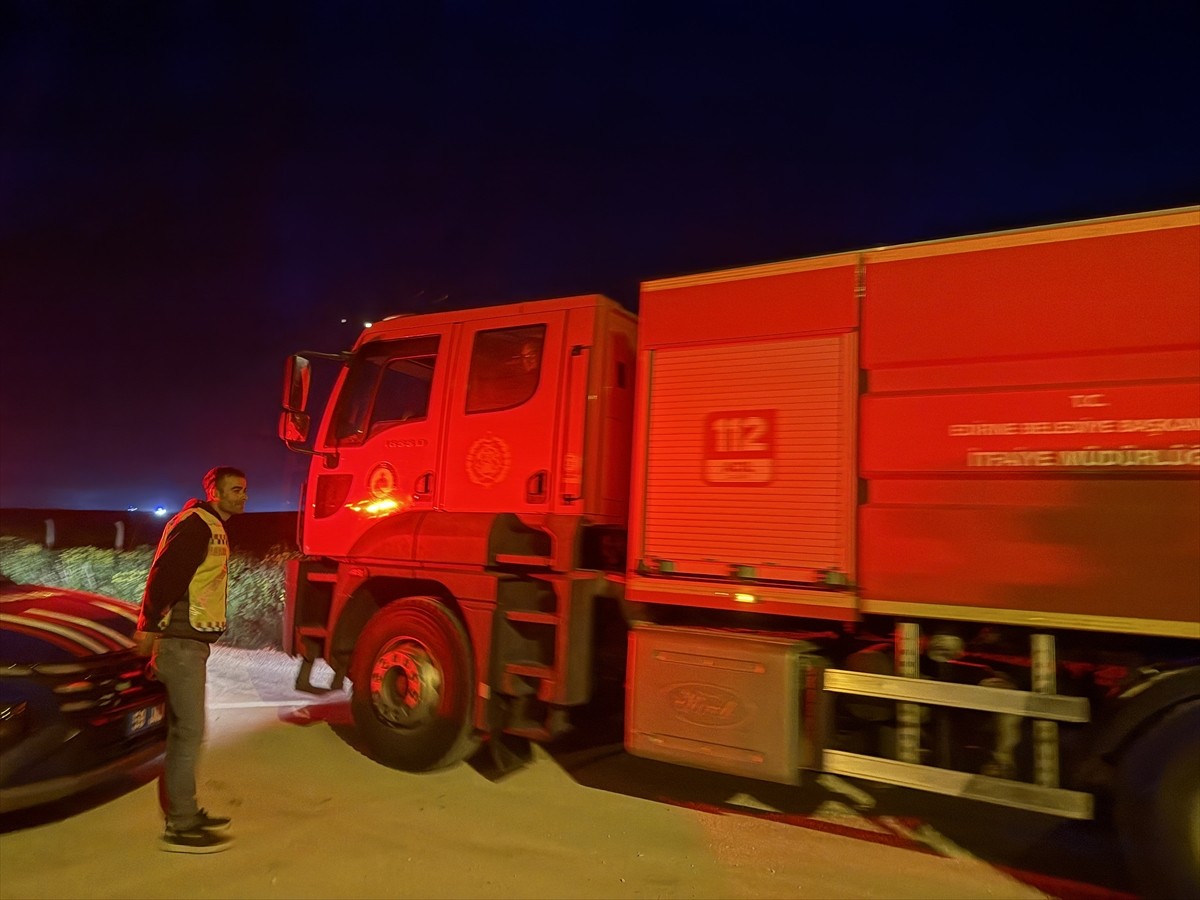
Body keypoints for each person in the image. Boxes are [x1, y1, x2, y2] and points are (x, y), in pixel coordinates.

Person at [134, 466, 247, 853]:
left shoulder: (207, 523)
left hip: (188, 643)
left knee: (186, 732)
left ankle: (185, 812)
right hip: (180, 643)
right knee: (188, 734)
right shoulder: (197, 524)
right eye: (235, 490)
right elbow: (166, 575)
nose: (242, 496)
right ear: (214, 491)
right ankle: (180, 825)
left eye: (244, 490)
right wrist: (148, 626)